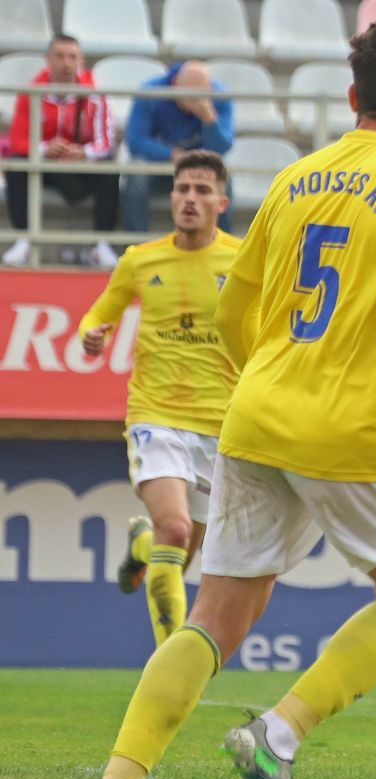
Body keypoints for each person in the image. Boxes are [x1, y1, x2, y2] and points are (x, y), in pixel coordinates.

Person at [72, 19, 376, 779]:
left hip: (252, 418)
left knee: (212, 617)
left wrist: (265, 382)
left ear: (352, 99)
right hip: (353, 434)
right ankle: (276, 736)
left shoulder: (293, 180)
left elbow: (235, 310)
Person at [76, 150, 239, 648]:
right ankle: (171, 662)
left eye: (202, 191)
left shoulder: (245, 260)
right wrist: (91, 334)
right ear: (171, 197)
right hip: (156, 415)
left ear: (221, 202)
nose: (190, 199)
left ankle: (142, 545)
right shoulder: (140, 260)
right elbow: (98, 313)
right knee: (173, 527)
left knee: (182, 547)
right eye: (183, 189)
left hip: (222, 425)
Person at [2, 34, 118, 269]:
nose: (66, 63)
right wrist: (45, 149)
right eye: (60, 56)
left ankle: (101, 244)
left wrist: (83, 153)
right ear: (48, 59)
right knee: (16, 165)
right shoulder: (31, 93)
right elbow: (17, 140)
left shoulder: (94, 95)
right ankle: (25, 239)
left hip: (80, 167)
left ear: (81, 60)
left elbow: (105, 142)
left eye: (72, 57)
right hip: (45, 165)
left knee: (111, 170)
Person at [122, 61, 235, 236]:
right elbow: (135, 141)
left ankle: (224, 247)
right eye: (191, 95)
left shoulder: (219, 97)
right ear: (175, 84)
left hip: (200, 164)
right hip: (160, 163)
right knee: (136, 174)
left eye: (202, 94)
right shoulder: (151, 92)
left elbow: (222, 147)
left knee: (223, 177)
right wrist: (172, 154)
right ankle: (135, 244)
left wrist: (209, 120)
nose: (197, 100)